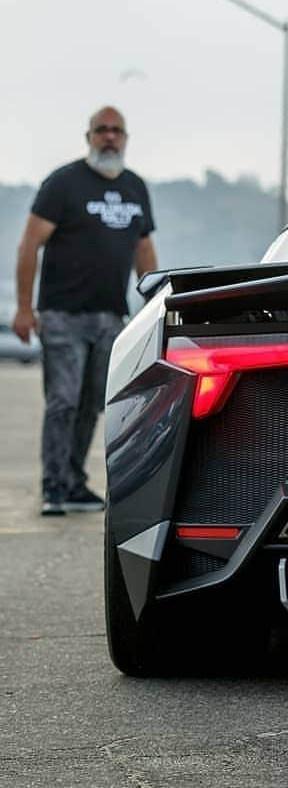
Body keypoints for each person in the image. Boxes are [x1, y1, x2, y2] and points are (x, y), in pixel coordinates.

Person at [13, 106, 157, 516]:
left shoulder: (135, 188)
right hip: (62, 315)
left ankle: (74, 482)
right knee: (63, 400)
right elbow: (29, 245)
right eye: (102, 130)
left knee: (93, 402)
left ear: (126, 138)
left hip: (110, 317)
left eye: (117, 131)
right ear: (89, 136)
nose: (109, 137)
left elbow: (144, 250)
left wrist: (151, 308)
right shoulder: (64, 183)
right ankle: (53, 486)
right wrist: (25, 308)